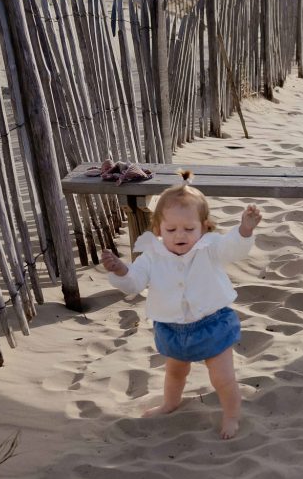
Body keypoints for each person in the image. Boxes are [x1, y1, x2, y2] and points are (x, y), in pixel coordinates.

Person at [100, 171, 262, 439]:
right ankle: (170, 402)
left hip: (213, 324)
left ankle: (232, 415)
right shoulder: (152, 254)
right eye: (171, 230)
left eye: (189, 229)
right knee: (175, 373)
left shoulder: (210, 246)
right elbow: (135, 283)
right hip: (172, 328)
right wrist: (121, 271)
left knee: (222, 378)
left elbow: (233, 250)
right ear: (158, 230)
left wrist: (244, 230)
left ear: (204, 227)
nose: (180, 236)